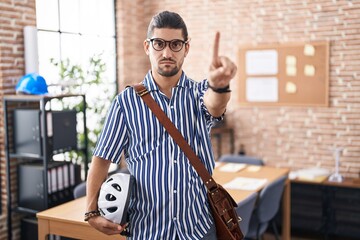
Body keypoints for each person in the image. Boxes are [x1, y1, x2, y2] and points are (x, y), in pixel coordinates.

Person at [86, 10, 237, 240]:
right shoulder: (126, 103)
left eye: (176, 44)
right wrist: (91, 211)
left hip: (198, 228)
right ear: (147, 47)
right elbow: (102, 159)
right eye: (159, 44)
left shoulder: (198, 93)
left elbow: (215, 105)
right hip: (147, 231)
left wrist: (219, 86)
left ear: (186, 48)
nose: (167, 52)